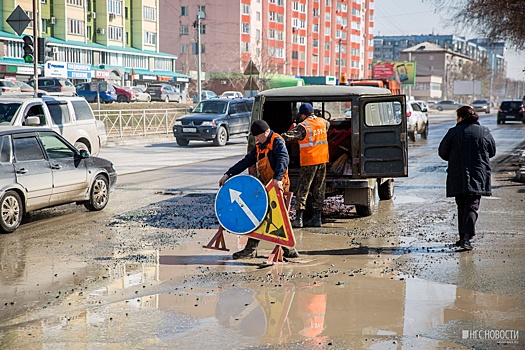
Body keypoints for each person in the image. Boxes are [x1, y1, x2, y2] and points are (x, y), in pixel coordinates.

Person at [219, 120, 300, 259]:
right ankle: (280, 249)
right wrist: (229, 174)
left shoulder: (277, 141)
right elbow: (245, 162)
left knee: (278, 217)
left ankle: (288, 248)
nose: (256, 139)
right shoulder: (259, 146)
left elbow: (283, 159)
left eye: (257, 136)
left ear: (266, 132)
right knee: (259, 216)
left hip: (279, 186)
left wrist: (278, 178)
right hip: (267, 186)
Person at [438, 105, 496, 250]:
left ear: (461, 117)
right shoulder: (484, 132)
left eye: (457, 117)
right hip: (478, 175)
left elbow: (442, 152)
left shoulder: (453, 132)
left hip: (458, 175)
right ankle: (465, 238)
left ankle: (464, 237)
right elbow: (492, 151)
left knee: (462, 206)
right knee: (472, 206)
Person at [281, 103, 329, 228]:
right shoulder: (323, 122)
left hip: (309, 161)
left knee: (303, 189)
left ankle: (299, 219)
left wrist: (282, 134)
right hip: (322, 160)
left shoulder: (303, 126)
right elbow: (327, 127)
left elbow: (288, 137)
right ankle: (317, 219)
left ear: (302, 114)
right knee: (319, 189)